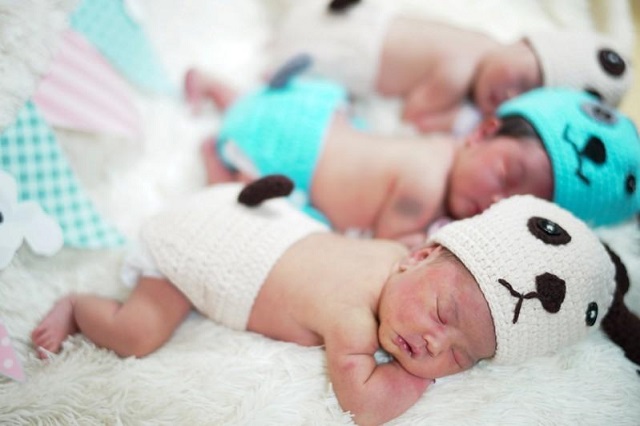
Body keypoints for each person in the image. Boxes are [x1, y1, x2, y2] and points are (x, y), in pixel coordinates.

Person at [31, 178, 636, 426]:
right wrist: (416, 380)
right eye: (444, 318)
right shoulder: (354, 319)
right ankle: (81, 305)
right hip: (195, 256)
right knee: (139, 332)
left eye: (461, 357)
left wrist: (451, 337)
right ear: (421, 254)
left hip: (252, 214)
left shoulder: (397, 259)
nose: (432, 343)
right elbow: (366, 405)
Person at [185, 70, 640, 246]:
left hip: (318, 122)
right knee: (241, 203)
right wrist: (423, 242)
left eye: (519, 203)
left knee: (249, 101)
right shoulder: (424, 188)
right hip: (294, 160)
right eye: (506, 174)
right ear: (483, 131)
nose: (497, 200)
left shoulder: (450, 148)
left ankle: (217, 87)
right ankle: (213, 160)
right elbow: (390, 243)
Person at [267, 0, 633, 135]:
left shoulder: (484, 45)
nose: (506, 97)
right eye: (521, 80)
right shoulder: (460, 70)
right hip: (344, 52)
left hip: (355, 17)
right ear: (523, 41)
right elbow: (418, 116)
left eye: (522, 100)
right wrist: (459, 121)